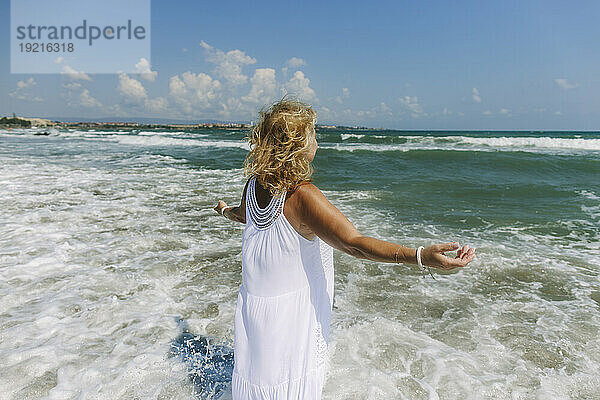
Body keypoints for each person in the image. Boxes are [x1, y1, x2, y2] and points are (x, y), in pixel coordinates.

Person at [214, 98, 476, 399]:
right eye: (313, 135)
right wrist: (420, 257)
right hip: (289, 321)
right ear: (297, 145)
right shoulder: (302, 196)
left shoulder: (254, 186)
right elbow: (354, 244)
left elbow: (244, 215)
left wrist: (224, 211)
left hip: (258, 317)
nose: (318, 143)